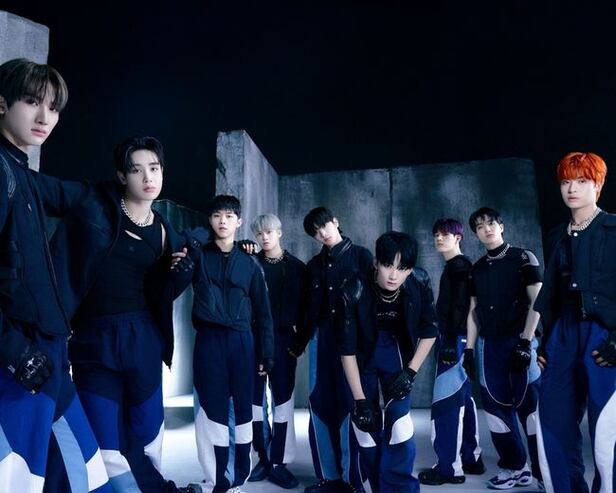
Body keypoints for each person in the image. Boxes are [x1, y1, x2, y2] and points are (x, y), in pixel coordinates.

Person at [48, 136, 191, 492]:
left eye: (154, 168)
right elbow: (49, 198)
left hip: (142, 338)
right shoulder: (94, 206)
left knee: (147, 433)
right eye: (136, 169)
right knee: (106, 442)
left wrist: (181, 273)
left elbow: (163, 289)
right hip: (92, 340)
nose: (148, 177)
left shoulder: (166, 231)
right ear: (121, 176)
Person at [0, 58, 110, 492]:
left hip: (46, 353)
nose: (45, 117)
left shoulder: (22, 174)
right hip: (19, 357)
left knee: (84, 472)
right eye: (32, 102)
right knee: (21, 480)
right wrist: (15, 351)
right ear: (2, 104)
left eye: (53, 107)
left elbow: (77, 196)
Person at [177, 195, 274, 493]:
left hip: (242, 342)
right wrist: (202, 239)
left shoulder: (250, 262)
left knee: (243, 412)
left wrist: (266, 354)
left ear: (239, 221)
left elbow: (264, 312)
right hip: (209, 341)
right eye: (217, 215)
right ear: (210, 220)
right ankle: (216, 479)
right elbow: (181, 241)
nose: (223, 221)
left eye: (229, 216)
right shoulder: (198, 256)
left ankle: (238, 479)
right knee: (211, 411)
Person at [534, 152, 616, 493]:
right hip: (562, 334)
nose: (572, 189)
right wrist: (545, 341)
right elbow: (551, 293)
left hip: (603, 335)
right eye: (566, 181)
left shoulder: (613, 228)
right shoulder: (557, 235)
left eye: (582, 181)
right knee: (552, 420)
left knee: (607, 431)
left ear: (597, 185)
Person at [338, 231, 438, 493]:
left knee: (399, 423)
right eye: (388, 265)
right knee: (366, 424)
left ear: (411, 269)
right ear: (376, 263)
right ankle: (371, 486)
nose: (394, 275)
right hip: (362, 355)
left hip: (397, 353)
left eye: (402, 268)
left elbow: (430, 330)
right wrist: (360, 401)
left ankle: (400, 488)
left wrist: (410, 373)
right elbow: (347, 349)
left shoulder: (419, 281)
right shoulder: (354, 288)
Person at [290, 206, 373, 493]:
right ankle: (329, 477)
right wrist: (299, 343)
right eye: (315, 232)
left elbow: (371, 303)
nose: (322, 233)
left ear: (336, 222)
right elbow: (307, 310)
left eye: (324, 226)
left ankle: (353, 479)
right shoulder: (313, 265)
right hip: (320, 340)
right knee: (319, 403)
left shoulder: (361, 257)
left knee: (351, 403)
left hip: (352, 339)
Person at [465, 206, 543, 490]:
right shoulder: (476, 269)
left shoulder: (523, 258)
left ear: (501, 226)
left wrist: (526, 342)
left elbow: (537, 302)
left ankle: (543, 472)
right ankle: (515, 468)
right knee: (496, 412)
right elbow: (473, 311)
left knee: (531, 411)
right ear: (475, 234)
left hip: (519, 341)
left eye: (491, 223)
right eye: (480, 226)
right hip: (489, 346)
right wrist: (469, 349)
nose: (486, 229)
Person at [418, 218, 484, 486]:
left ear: (458, 237)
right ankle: (471, 457)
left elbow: (462, 306)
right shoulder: (457, 267)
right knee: (463, 400)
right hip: (459, 340)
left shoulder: (459, 267)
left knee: (446, 404)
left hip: (453, 340)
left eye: (445, 234)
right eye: (436, 234)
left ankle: (449, 468)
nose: (438, 238)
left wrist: (450, 341)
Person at [247, 214, 305, 489]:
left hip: (284, 340)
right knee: (255, 402)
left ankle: (280, 461)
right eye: (259, 234)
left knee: (283, 401)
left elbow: (306, 309)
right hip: (254, 338)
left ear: (279, 233)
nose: (264, 237)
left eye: (269, 232)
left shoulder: (297, 268)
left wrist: (299, 342)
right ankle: (263, 456)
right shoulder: (250, 263)